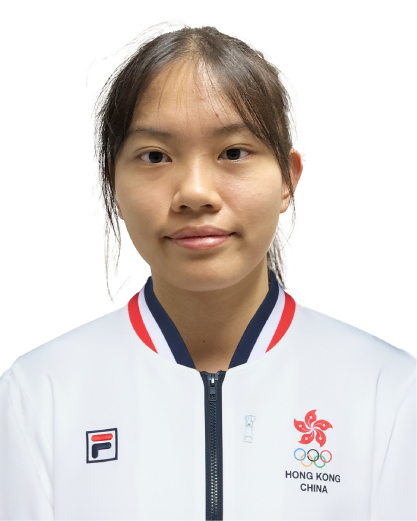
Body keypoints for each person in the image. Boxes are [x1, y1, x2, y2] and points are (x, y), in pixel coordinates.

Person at [0, 24, 415, 521]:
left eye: (233, 152)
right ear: (113, 186)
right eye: (155, 156)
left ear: (288, 179)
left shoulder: (389, 392)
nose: (195, 192)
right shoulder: (38, 394)